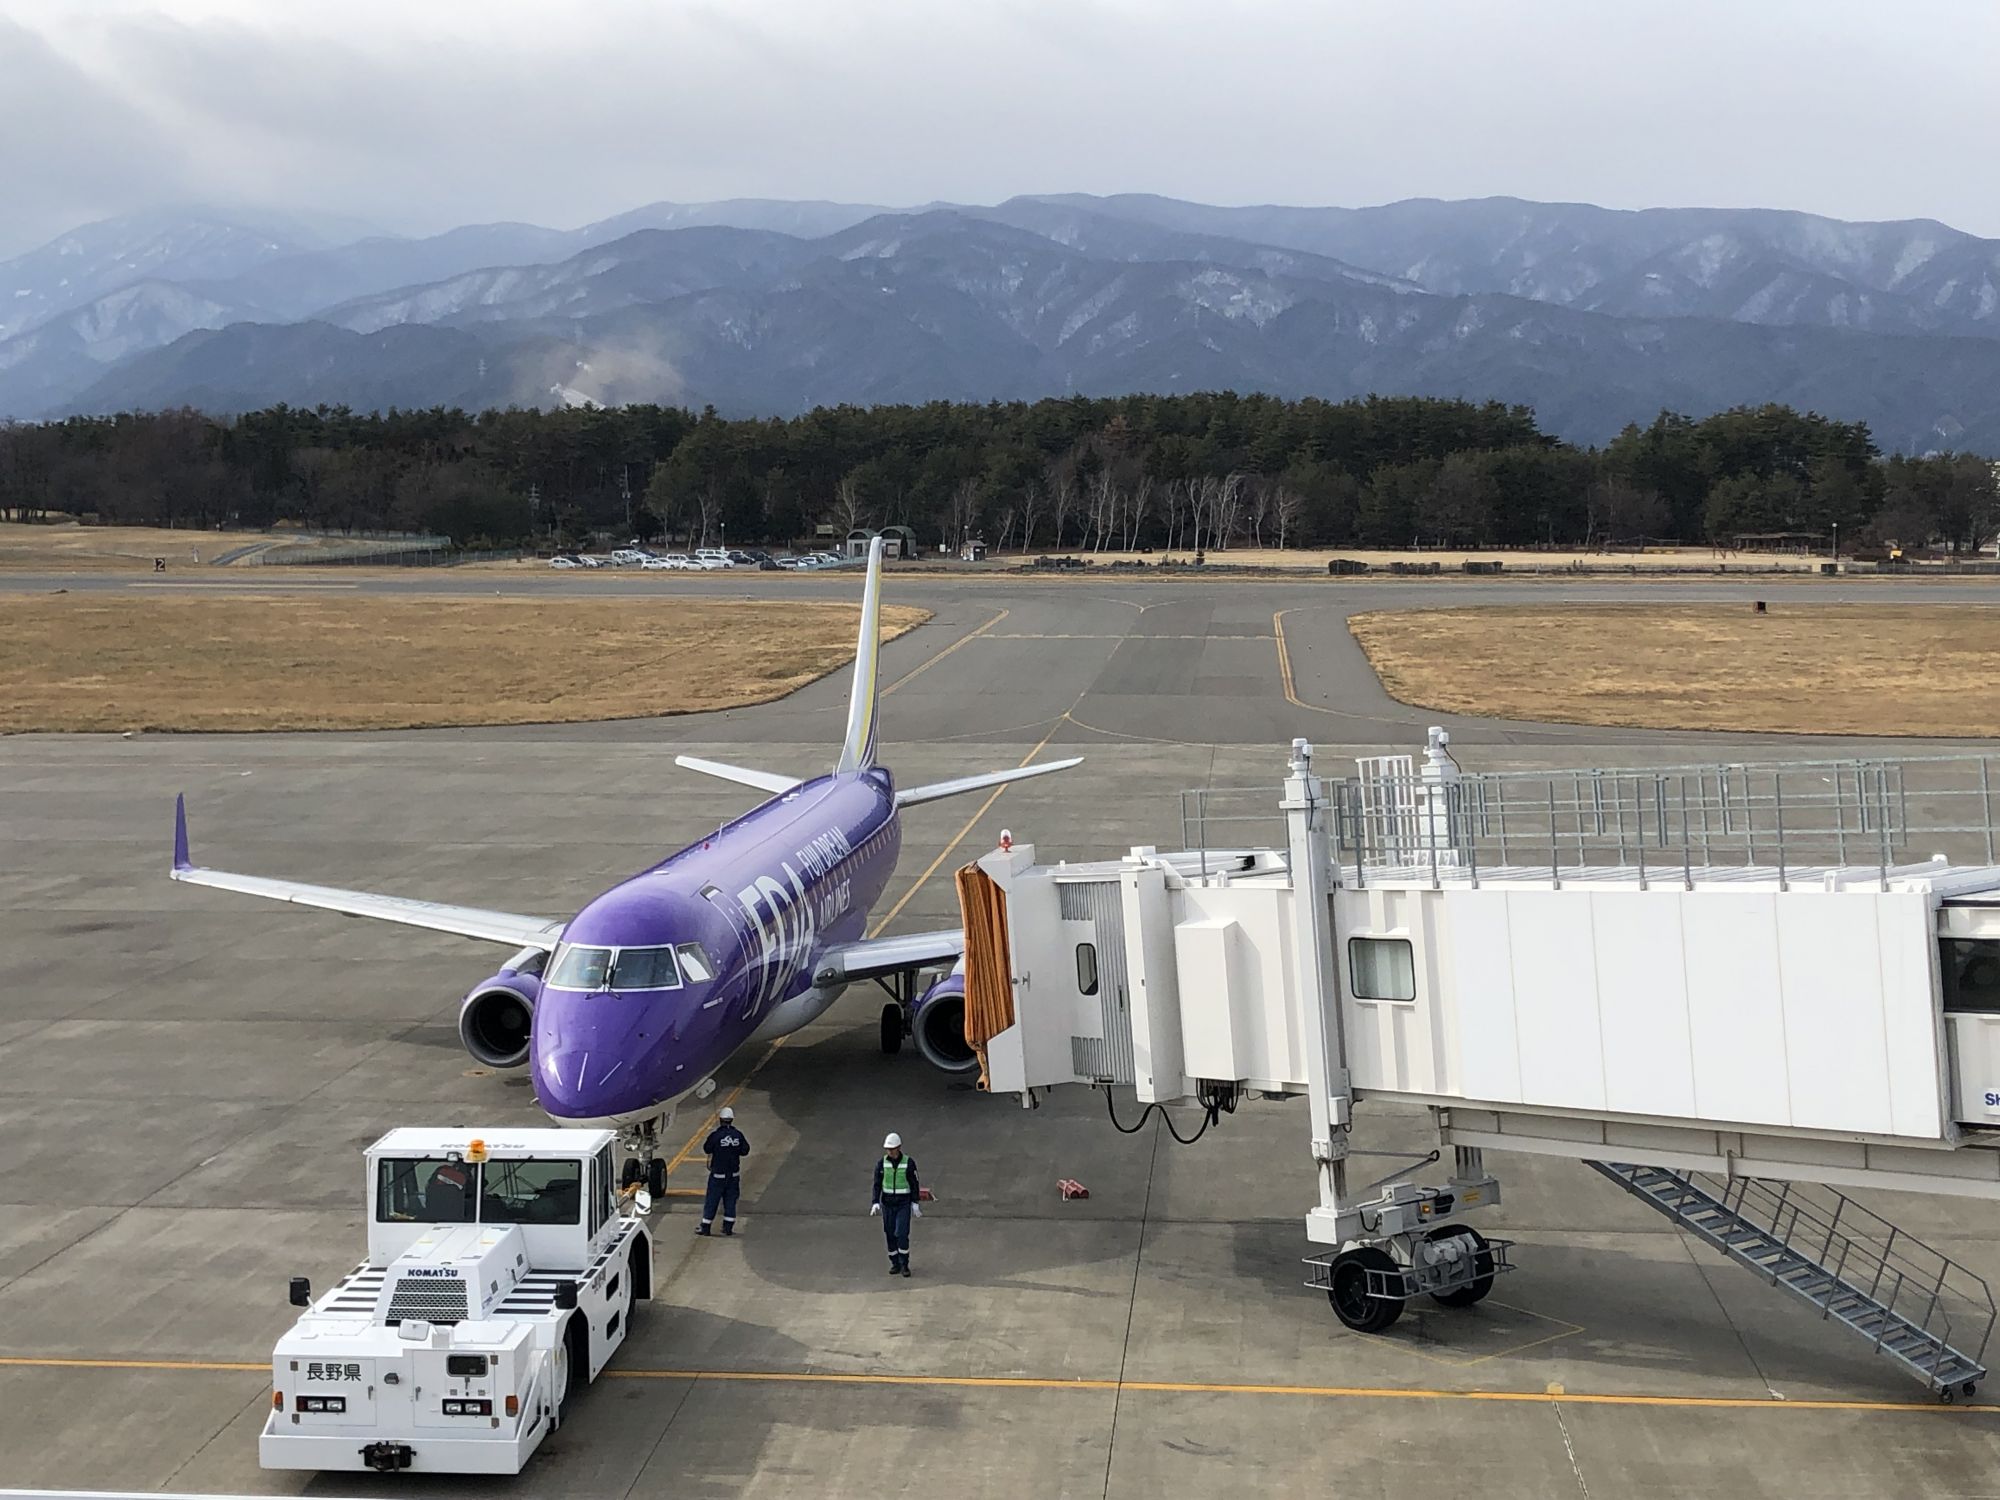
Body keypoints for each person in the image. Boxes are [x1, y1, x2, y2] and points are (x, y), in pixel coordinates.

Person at [870, 1131, 921, 1276]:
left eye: (892, 1149)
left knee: (902, 1233)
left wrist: (915, 1201)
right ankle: (895, 1263)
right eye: (888, 1149)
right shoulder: (881, 1164)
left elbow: (914, 1183)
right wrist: (875, 1202)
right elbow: (877, 1184)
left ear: (898, 1147)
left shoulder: (908, 1163)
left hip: (903, 1204)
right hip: (887, 1204)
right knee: (890, 1233)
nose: (890, 1151)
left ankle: (904, 1264)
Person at [696, 1106, 749, 1237]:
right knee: (730, 1201)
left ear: (720, 1120)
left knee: (712, 1201)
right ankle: (728, 1227)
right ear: (731, 1120)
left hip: (718, 1175)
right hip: (733, 1175)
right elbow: (745, 1151)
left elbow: (707, 1149)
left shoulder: (716, 1136)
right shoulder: (738, 1135)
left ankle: (706, 1227)